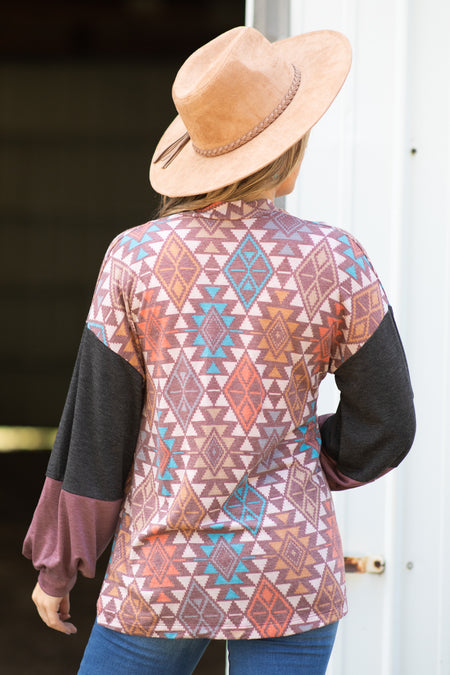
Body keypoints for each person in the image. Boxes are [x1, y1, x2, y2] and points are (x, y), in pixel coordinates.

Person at [23, 26, 416, 674]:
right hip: (289, 572)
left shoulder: (135, 260)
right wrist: (301, 457)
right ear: (292, 145)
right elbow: (389, 421)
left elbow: (98, 434)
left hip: (163, 570)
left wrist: (58, 571)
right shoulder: (335, 261)